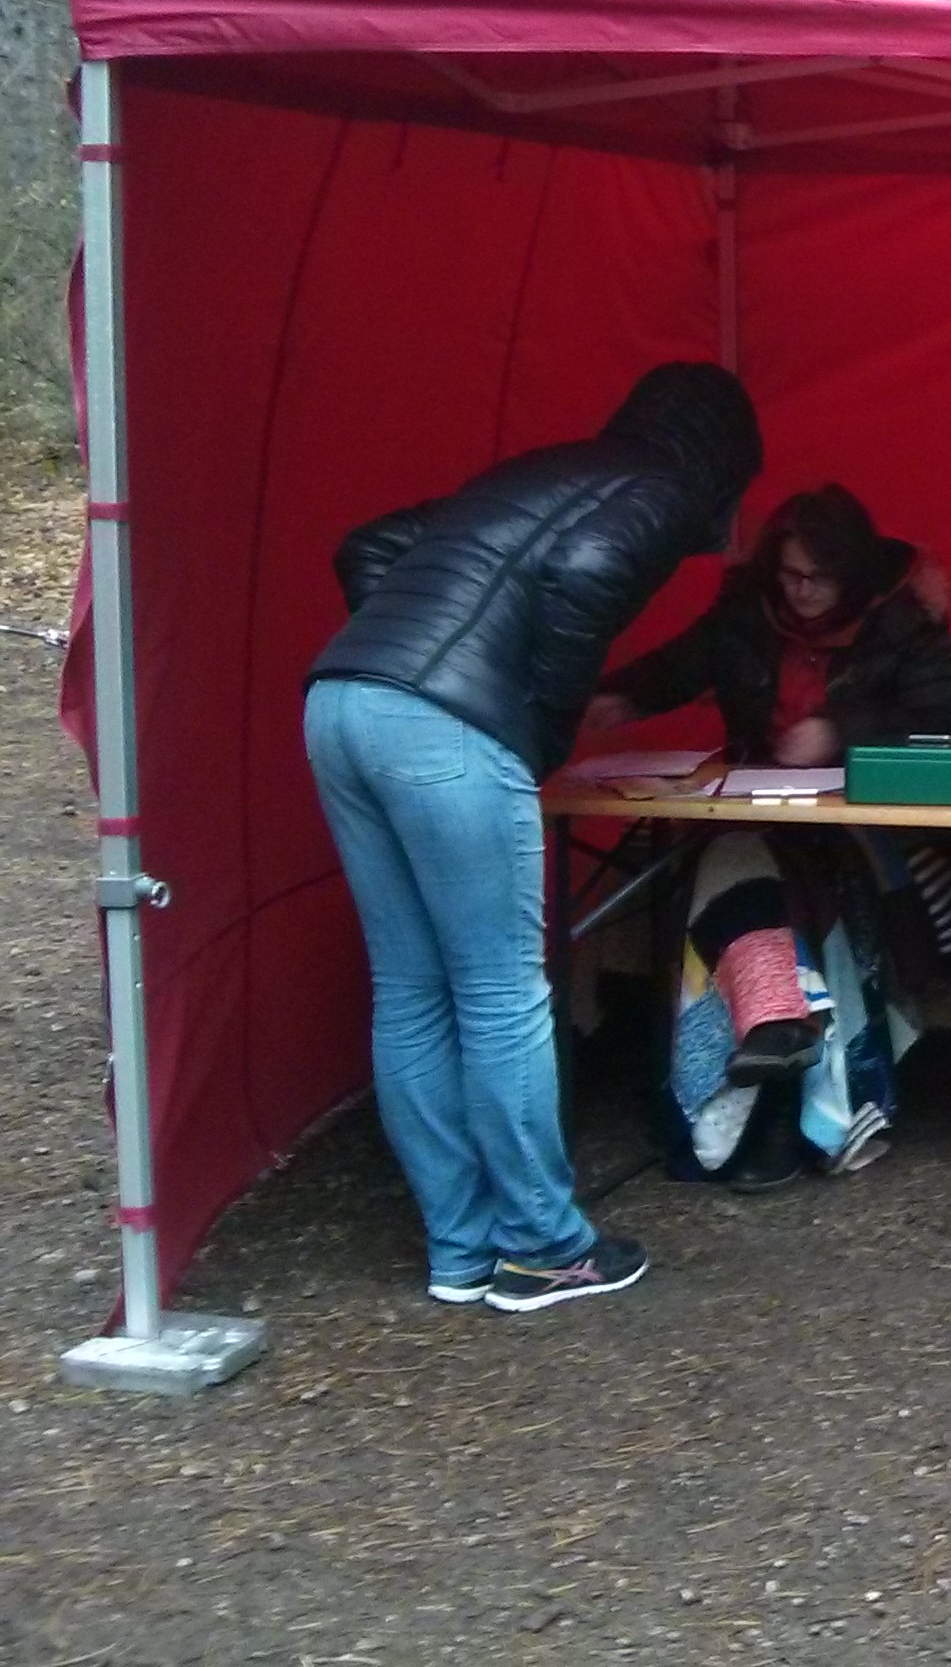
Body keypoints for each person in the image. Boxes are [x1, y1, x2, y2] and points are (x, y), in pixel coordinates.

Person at [304, 361, 761, 1314]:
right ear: (723, 455)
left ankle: (459, 1248)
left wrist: (408, 656)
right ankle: (545, 1249)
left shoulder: (546, 467)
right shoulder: (662, 489)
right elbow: (588, 572)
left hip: (342, 699)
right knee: (501, 994)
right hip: (446, 729)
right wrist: (537, 720)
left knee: (411, 990)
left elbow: (370, 544)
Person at [581, 484, 951, 1191]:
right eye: (789, 575)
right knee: (742, 859)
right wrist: (620, 696)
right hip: (757, 812)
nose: (801, 591)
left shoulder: (902, 621)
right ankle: (787, 1071)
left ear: (853, 574)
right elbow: (681, 664)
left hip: (863, 829)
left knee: (745, 872)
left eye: (818, 577)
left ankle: (767, 1101)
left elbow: (940, 721)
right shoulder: (747, 613)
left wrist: (840, 733)